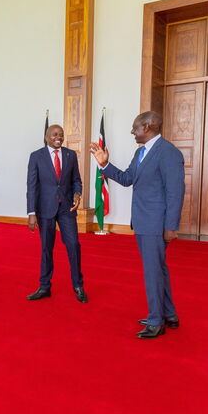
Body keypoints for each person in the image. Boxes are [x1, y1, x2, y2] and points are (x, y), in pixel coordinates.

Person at [90, 111, 185, 339]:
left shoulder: (169, 153)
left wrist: (171, 226)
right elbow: (126, 179)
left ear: (149, 126)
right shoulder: (140, 152)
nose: (132, 132)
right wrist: (105, 164)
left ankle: (155, 321)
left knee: (153, 272)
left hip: (156, 223)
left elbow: (176, 191)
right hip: (142, 221)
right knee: (158, 269)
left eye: (136, 127)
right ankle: (168, 315)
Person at [26, 124, 88, 303]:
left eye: (60, 135)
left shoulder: (70, 155)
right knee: (46, 248)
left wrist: (77, 194)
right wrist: (31, 212)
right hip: (45, 209)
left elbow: (76, 180)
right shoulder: (36, 156)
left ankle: (78, 285)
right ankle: (44, 286)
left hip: (66, 209)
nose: (58, 137)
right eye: (54, 135)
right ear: (46, 137)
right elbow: (32, 186)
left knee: (74, 246)